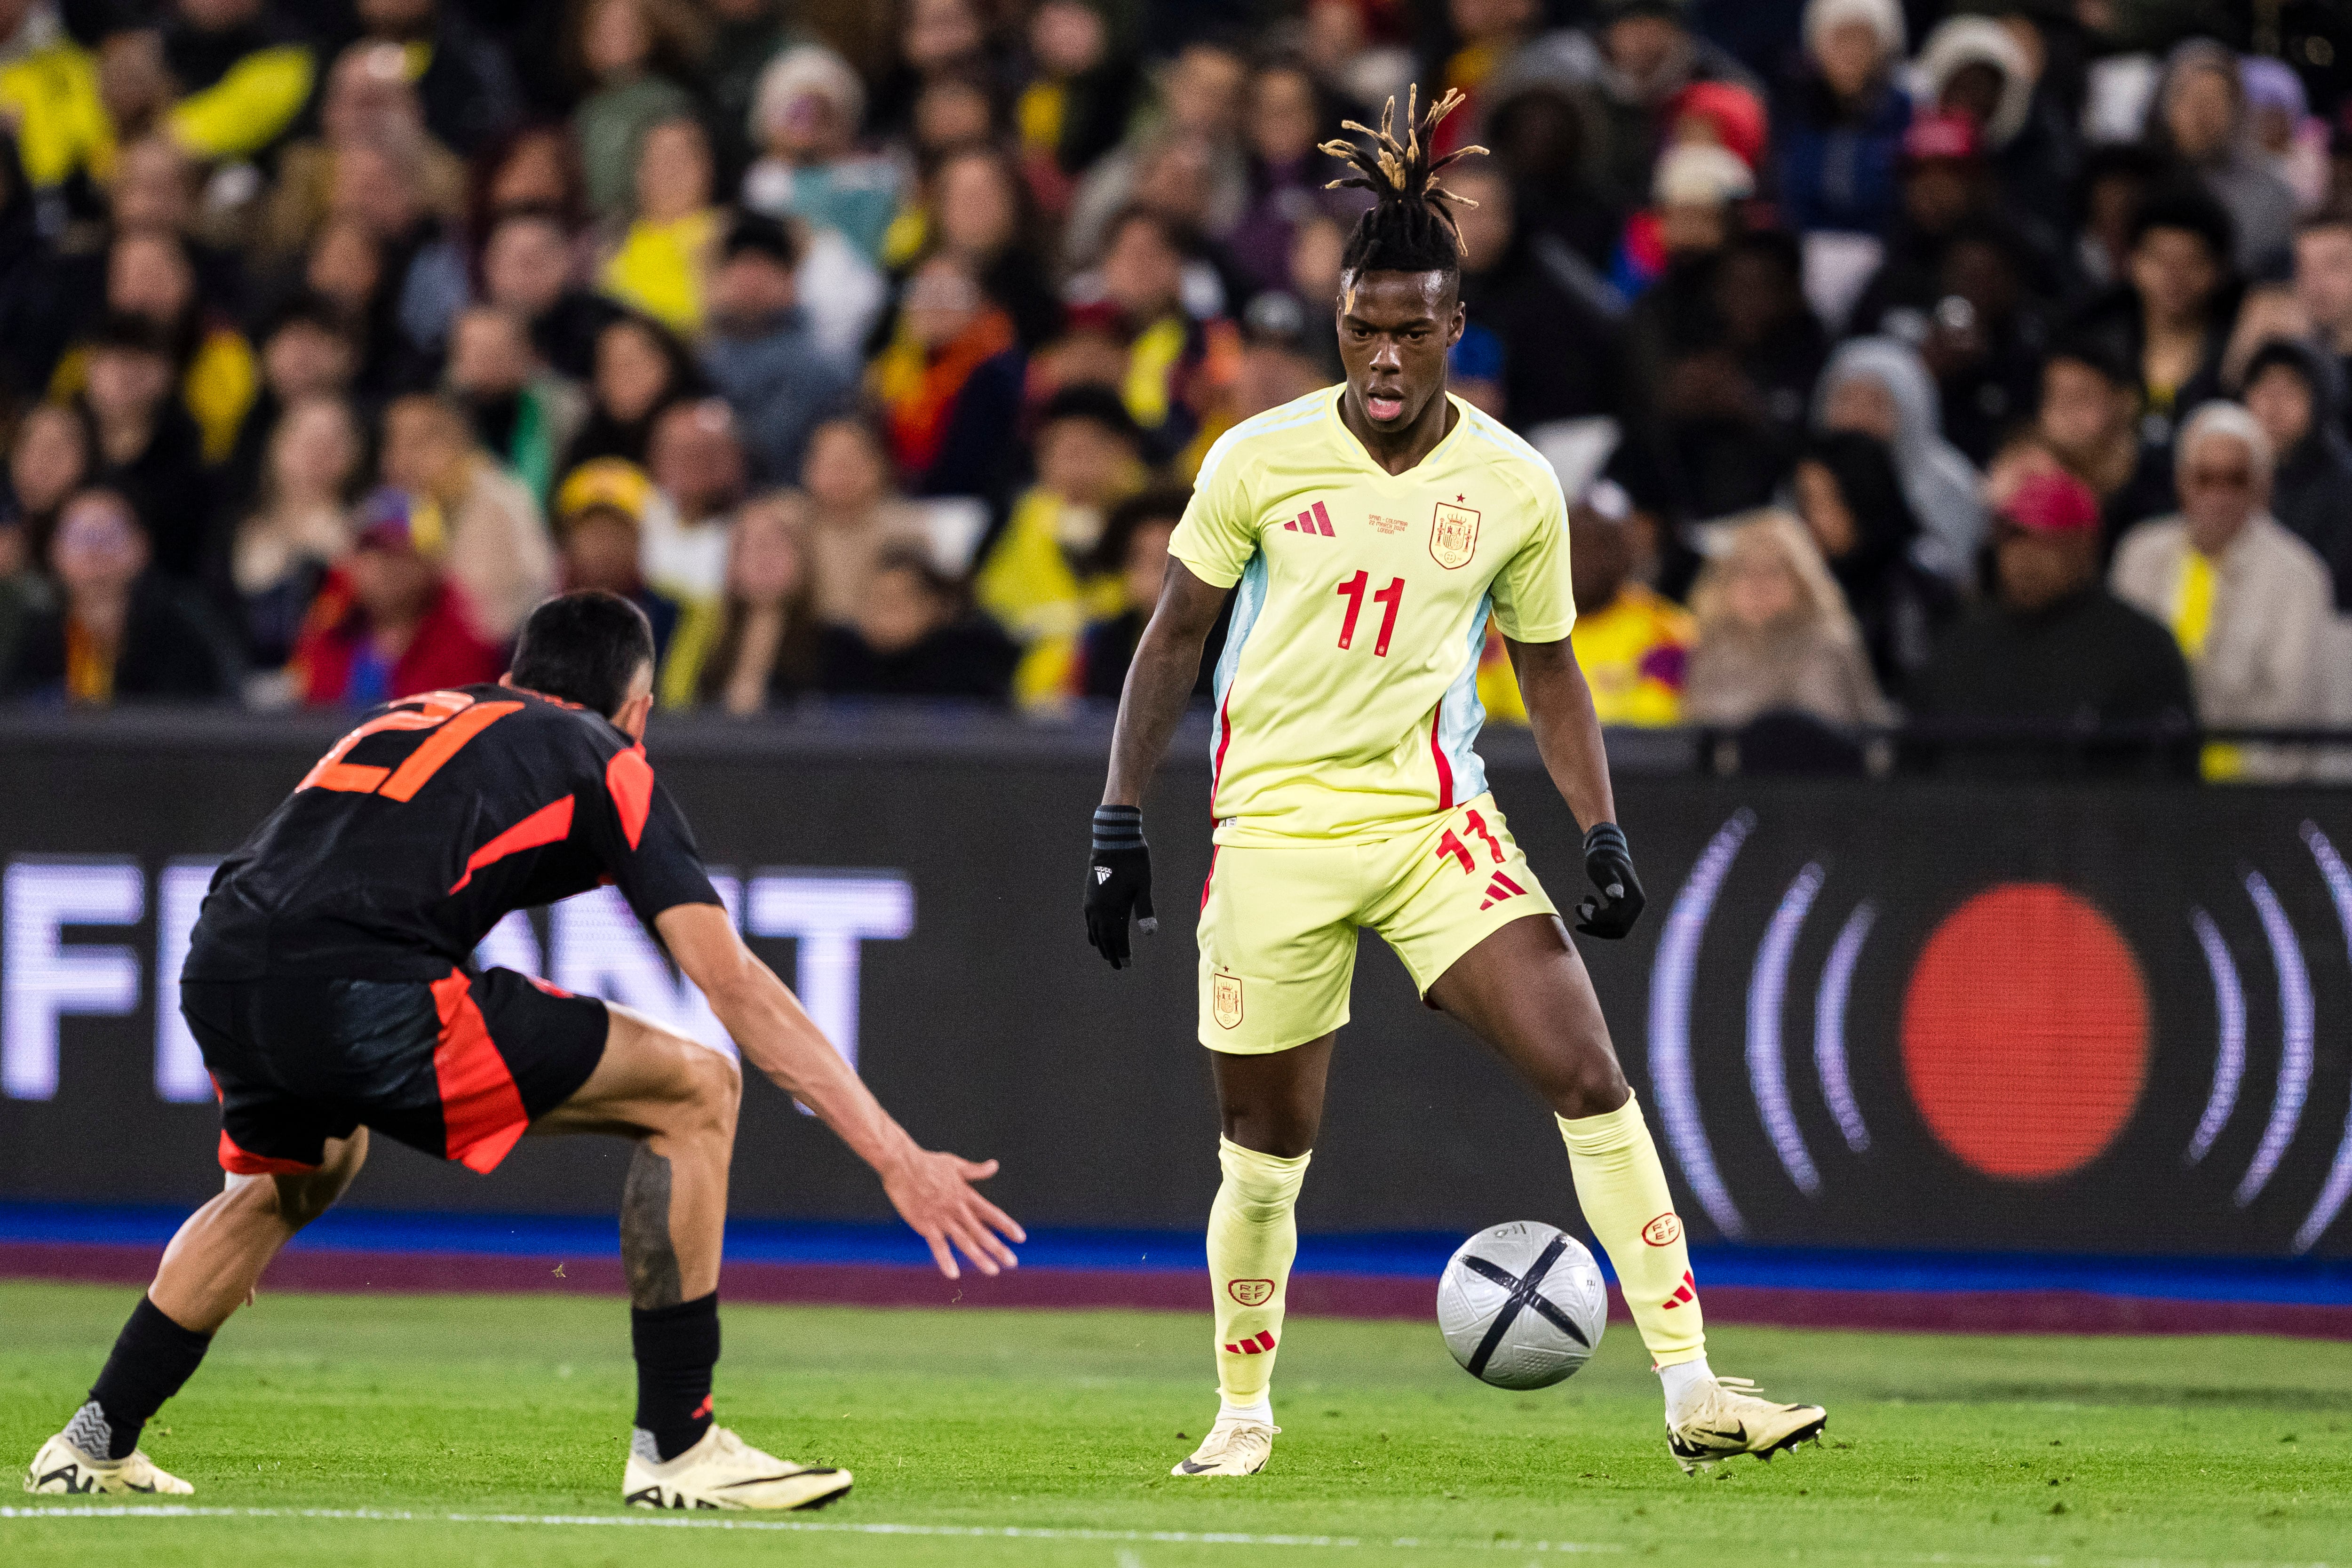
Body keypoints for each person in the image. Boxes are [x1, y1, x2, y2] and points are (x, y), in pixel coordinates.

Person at [1080, 90, 1824, 1481]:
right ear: (1339, 325)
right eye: (1361, 327)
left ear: (1452, 330)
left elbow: (1547, 674)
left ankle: (1691, 1387)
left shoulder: (1514, 485)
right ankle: (1242, 1409)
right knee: (1264, 1146)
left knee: (1591, 1076)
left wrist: (1596, 831)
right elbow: (1170, 637)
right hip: (1275, 835)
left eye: (1410, 329)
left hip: (1436, 827)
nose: (1380, 354)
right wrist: (1120, 817)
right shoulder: (1254, 457)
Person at [23, 589, 1022, 1504]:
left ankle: (94, 1439)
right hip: (360, 976)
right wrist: (896, 1155)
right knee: (695, 1088)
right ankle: (678, 1444)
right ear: (638, 708)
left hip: (222, 961)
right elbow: (730, 984)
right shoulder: (602, 754)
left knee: (301, 1171)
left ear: (514, 674)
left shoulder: (423, 710)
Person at [1906, 469, 2196, 779]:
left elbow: (2168, 775)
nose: (2024, 558)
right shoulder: (1961, 643)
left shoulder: (2141, 648)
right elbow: (1913, 762)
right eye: (2013, 538)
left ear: (2084, 547)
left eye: (2045, 540)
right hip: (1964, 823)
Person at [2111, 401, 2333, 780]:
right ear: (2182, 482)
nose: (2219, 494)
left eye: (2236, 479)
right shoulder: (2140, 553)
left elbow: (2291, 715)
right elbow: (2116, 671)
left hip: (2249, 783)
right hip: (2146, 772)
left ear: (2262, 487)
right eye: (2205, 478)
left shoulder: (2299, 576)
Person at [2, 487, 235, 704]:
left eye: (113, 534)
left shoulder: (180, 636)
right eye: (79, 536)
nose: (96, 551)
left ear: (142, 547)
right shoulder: (29, 639)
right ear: (54, 552)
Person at [288, 489, 505, 706]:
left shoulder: (466, 647)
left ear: (432, 565)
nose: (387, 566)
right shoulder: (326, 631)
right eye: (374, 549)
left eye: (402, 551)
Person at [1681, 509, 1891, 730]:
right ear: (1721, 584)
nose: (1758, 586)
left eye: (1773, 571)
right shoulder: (1709, 647)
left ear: (1802, 581)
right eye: (1743, 572)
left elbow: (1857, 738)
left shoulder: (1829, 645)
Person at [378, 392, 555, 641]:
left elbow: (526, 590)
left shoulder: (500, 499)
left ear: (456, 441)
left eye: (418, 443)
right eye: (396, 444)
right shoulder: (397, 509)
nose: (403, 458)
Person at [699, 213, 858, 489]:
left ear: (790, 279)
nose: (750, 279)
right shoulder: (701, 361)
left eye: (765, 265)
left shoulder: (825, 366)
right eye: (739, 265)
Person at [1788, 430, 1951, 696]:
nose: (1812, 520)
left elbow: (1913, 693)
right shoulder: (1798, 584)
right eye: (1806, 501)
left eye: (1827, 501)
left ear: (1864, 500)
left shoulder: (1910, 593)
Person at [1812, 335, 1982, 581]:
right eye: (1845, 400)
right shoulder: (1806, 480)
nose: (1856, 418)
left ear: (1911, 411)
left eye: (1876, 403)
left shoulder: (1951, 484)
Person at [868, 248, 1024, 501]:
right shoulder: (895, 369)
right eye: (925, 292)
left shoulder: (995, 372)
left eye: (949, 294)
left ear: (979, 302)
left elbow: (970, 471)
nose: (934, 306)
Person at [224, 396, 360, 683]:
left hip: (330, 697)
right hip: (238, 698)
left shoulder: (369, 536)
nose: (319, 452)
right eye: (306, 438)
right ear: (278, 446)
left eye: (333, 441)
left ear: (354, 454)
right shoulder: (233, 532)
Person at [1772, 0, 1909, 239]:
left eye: (1863, 39)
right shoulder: (1793, 110)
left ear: (1884, 47)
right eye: (1841, 38)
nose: (1851, 52)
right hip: (1803, 250)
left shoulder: (1905, 113)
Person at [818, 544, 1017, 703]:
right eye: (874, 601)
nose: (884, 614)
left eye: (896, 602)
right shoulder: (837, 661)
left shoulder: (970, 664)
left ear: (932, 606)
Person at [680, 493, 823, 713]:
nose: (764, 558)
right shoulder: (704, 643)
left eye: (776, 544)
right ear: (732, 564)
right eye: (750, 546)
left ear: (804, 559)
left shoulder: (834, 647)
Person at [2032, 337, 2176, 549]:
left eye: (2080, 398)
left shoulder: (2161, 484)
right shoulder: (2026, 481)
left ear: (2126, 403)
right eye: (2054, 398)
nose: (2065, 413)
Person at [2240, 337, 2352, 607]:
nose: (2273, 406)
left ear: (2319, 401)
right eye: (2264, 388)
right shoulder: (2228, 469)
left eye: (2291, 390)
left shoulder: (2343, 485)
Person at [553, 457, 684, 667]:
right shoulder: (541, 621)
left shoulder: (673, 622)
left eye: (618, 532)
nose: (605, 545)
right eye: (593, 531)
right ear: (568, 540)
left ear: (641, 539)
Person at [1072, 486, 1192, 701]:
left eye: (1165, 561)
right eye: (1140, 561)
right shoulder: (1105, 642)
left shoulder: (1230, 641)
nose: (1154, 578)